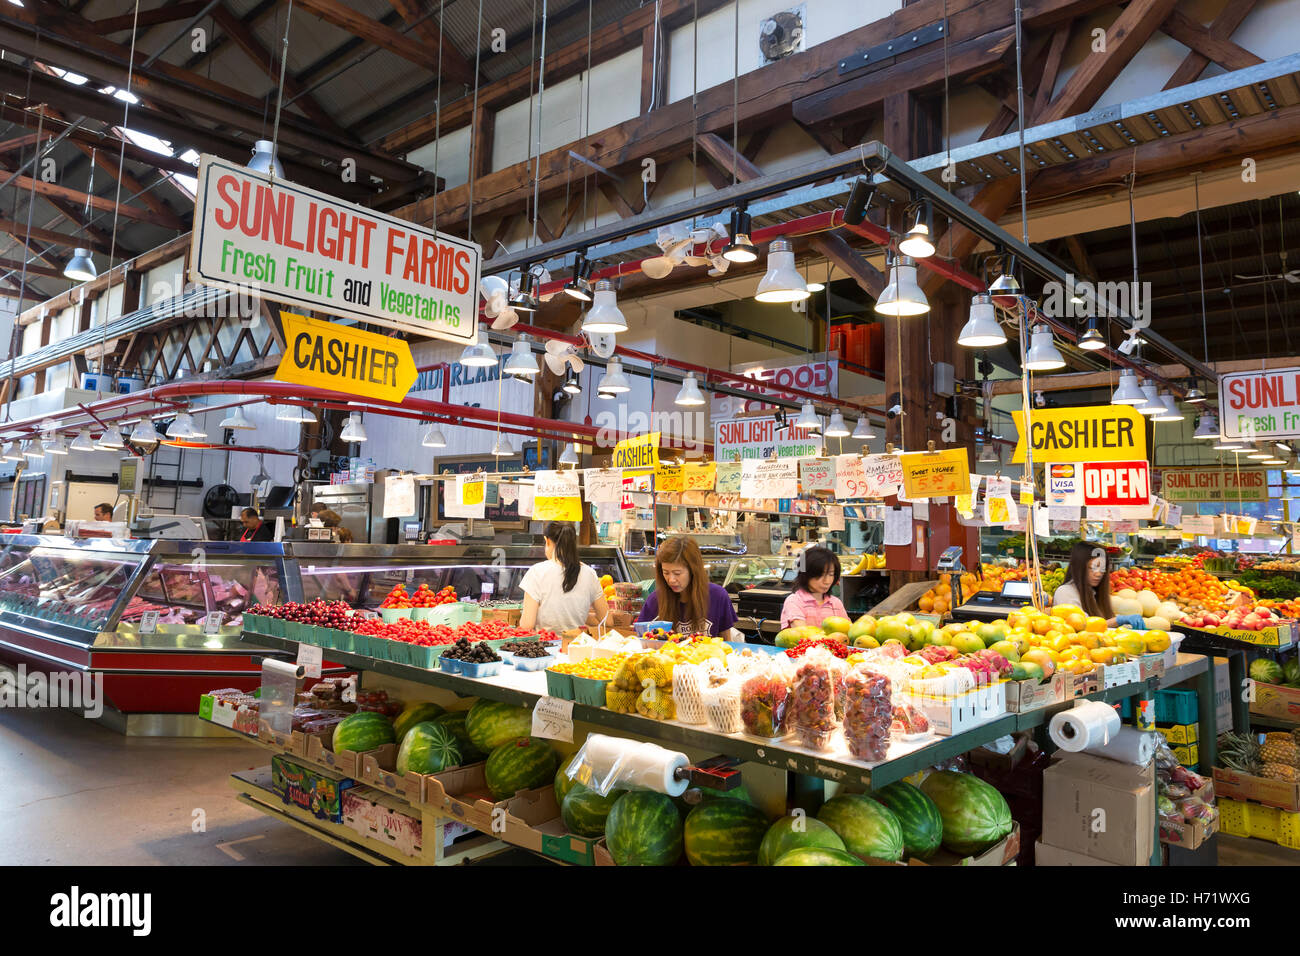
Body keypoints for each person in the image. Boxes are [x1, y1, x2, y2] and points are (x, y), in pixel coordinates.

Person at [636, 535, 741, 639]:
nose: (671, 579)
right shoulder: (655, 601)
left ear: (693, 570)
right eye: (666, 572)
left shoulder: (718, 596)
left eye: (677, 573)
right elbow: (642, 641)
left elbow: (727, 643)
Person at [518, 522, 608, 631]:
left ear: (547, 541)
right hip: (577, 644)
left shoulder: (537, 571)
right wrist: (580, 616)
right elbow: (607, 620)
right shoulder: (589, 573)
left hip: (546, 645)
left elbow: (527, 625)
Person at [1052, 541, 1143, 628]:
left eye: (1102, 568)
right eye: (1093, 567)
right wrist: (1118, 620)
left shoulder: (1093, 591)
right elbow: (1082, 626)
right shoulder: (1065, 592)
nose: (1099, 573)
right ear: (1080, 567)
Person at [780, 545, 848, 629]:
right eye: (820, 575)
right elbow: (802, 633)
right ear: (806, 574)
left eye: (831, 574)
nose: (827, 581)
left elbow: (847, 631)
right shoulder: (794, 601)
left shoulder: (835, 603)